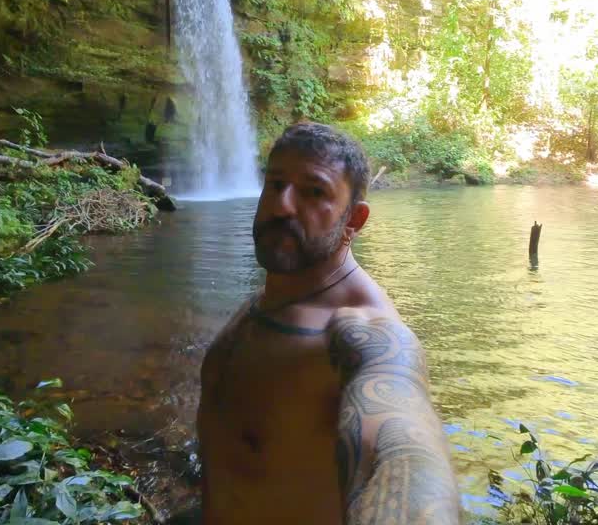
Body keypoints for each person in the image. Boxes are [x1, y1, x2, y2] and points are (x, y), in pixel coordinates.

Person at [194, 123, 459, 525]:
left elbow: (405, 449)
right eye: (275, 184)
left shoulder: (364, 330)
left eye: (314, 192)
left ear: (355, 218)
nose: (281, 206)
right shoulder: (268, 302)